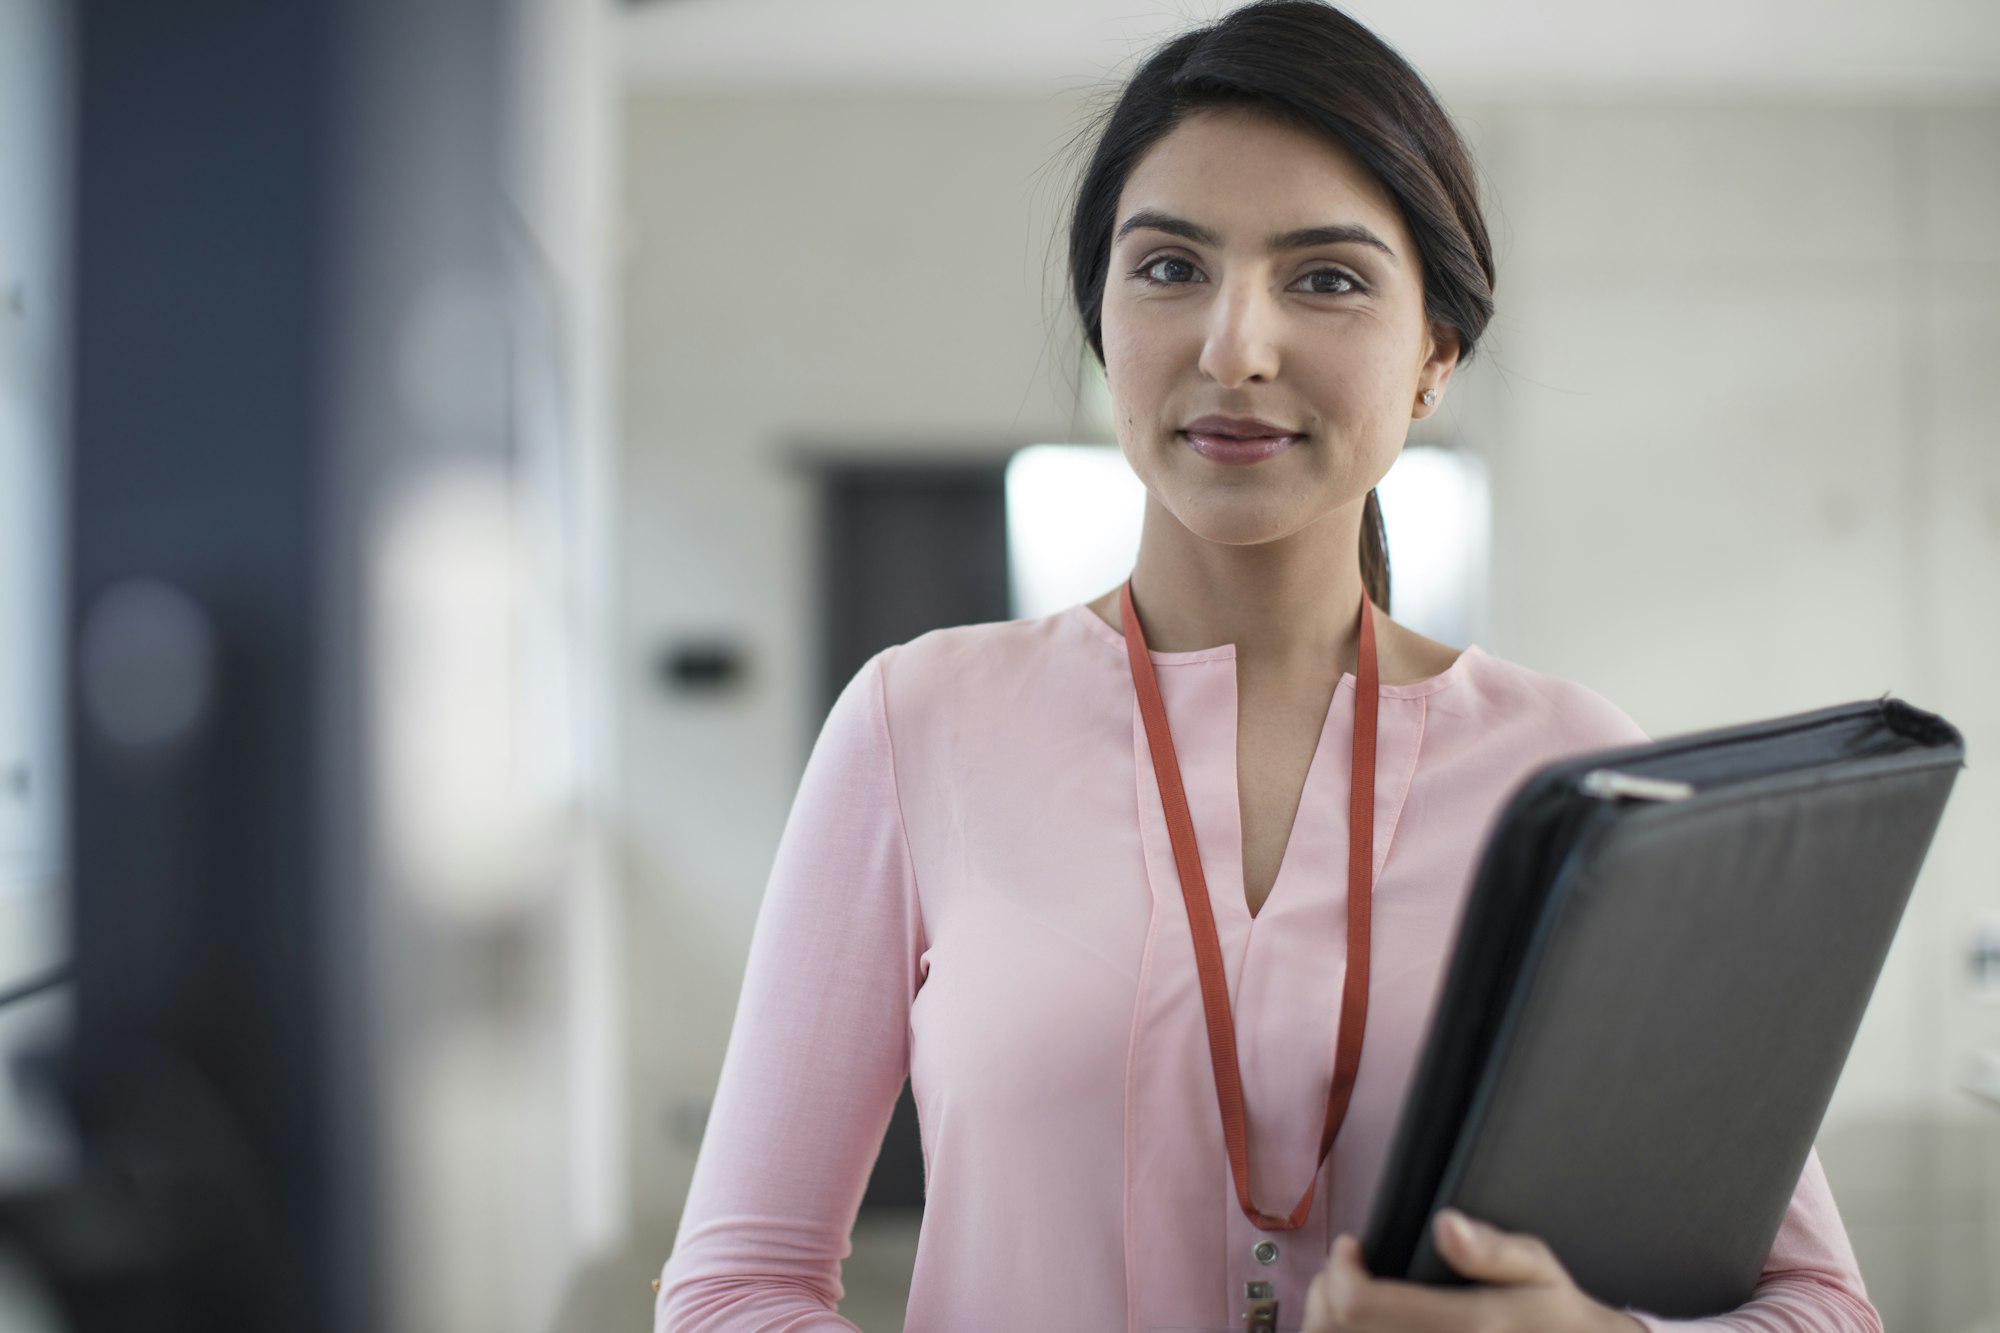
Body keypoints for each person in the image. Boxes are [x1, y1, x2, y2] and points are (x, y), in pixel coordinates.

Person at [653, 3, 1884, 1329]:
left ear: (1434, 357)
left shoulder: (1578, 768)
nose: (1235, 346)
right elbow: (736, 1287)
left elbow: (1818, 1302)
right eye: (1170, 267)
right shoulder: (920, 723)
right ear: (1101, 323)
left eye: (1328, 278)